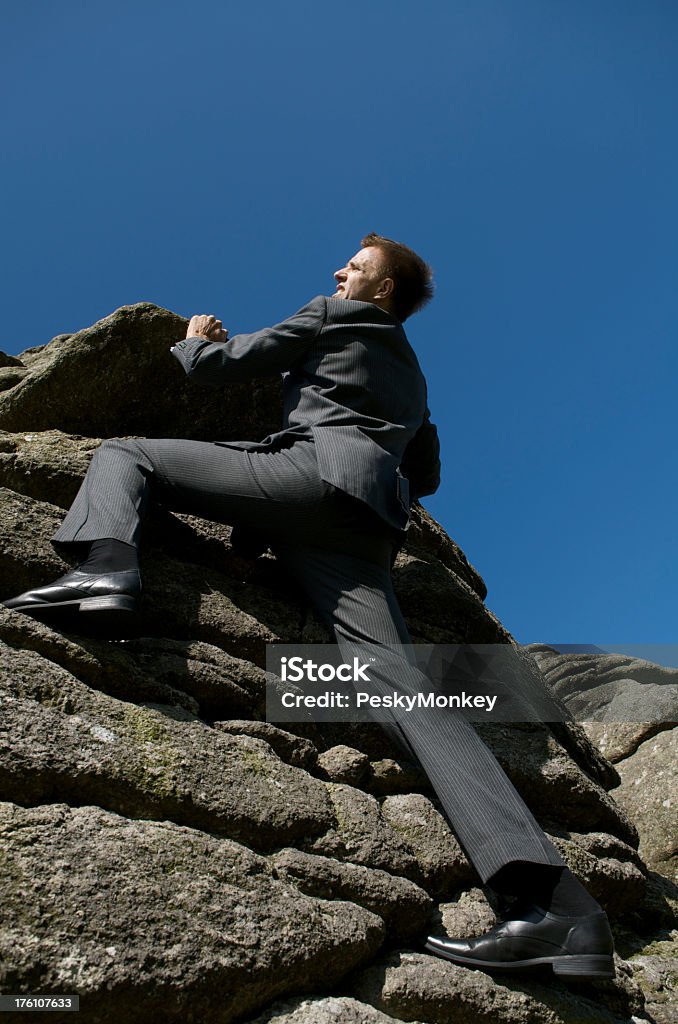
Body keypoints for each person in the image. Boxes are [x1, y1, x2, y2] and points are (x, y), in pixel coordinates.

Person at [4, 233, 614, 978]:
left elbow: (226, 367)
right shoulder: (415, 381)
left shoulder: (330, 313)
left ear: (381, 288)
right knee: (408, 692)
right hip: (362, 532)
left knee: (126, 452)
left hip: (307, 478)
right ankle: (553, 907)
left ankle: (104, 571)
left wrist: (192, 342)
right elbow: (427, 472)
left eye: (354, 266)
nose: (338, 272)